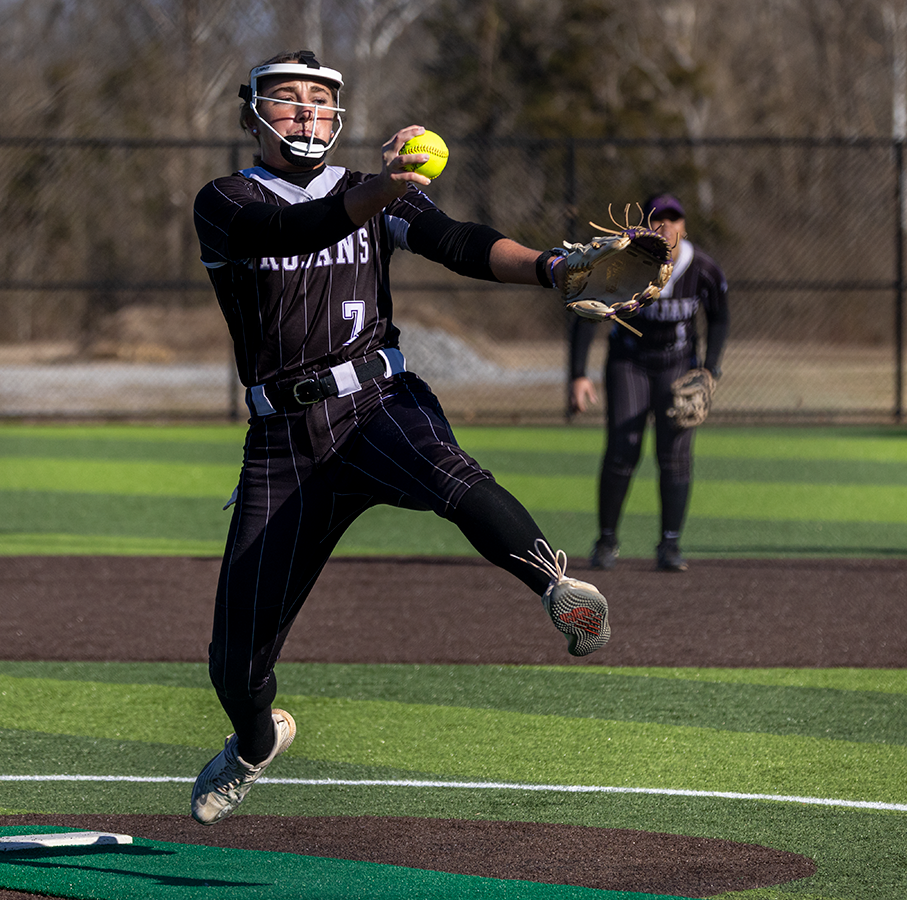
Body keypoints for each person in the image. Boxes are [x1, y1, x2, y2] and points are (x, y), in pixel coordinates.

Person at [188, 50, 621, 826]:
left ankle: (558, 588)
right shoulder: (224, 200)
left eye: (319, 100)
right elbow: (288, 231)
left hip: (376, 399)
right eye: (286, 100)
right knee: (235, 658)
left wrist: (552, 266)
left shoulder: (371, 191)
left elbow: (458, 242)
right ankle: (254, 744)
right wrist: (384, 187)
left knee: (450, 475)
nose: (306, 113)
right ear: (252, 113)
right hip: (285, 440)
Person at [567, 193, 729, 572]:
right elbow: (585, 310)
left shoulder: (702, 267)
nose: (666, 226)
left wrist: (711, 369)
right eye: (658, 218)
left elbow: (720, 318)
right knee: (623, 447)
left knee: (674, 454)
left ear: (684, 227)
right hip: (629, 362)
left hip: (677, 364)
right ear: (645, 224)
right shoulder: (623, 263)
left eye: (674, 219)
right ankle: (606, 540)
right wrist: (578, 374)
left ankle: (670, 545)